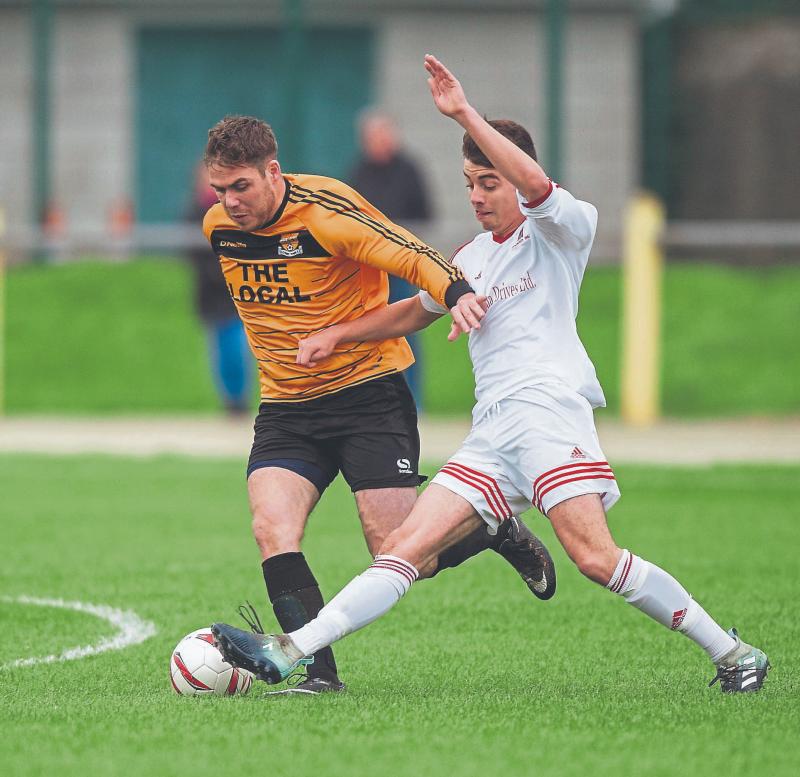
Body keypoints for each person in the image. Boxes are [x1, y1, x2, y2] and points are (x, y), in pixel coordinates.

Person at [211, 55, 770, 694]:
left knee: (594, 558)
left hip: (549, 412)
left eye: (488, 183)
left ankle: (732, 652)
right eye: (470, 183)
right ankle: (292, 652)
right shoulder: (471, 257)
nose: (477, 195)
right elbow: (411, 312)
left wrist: (462, 113)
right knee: (401, 553)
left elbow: (536, 185)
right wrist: (339, 333)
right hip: (494, 429)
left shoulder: (560, 231)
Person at [201, 114, 556, 695]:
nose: (229, 202)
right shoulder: (218, 227)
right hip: (288, 409)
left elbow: (411, 253)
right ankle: (317, 673)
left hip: (369, 396)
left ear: (273, 171)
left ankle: (496, 530)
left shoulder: (328, 212)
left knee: (398, 551)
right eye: (220, 190)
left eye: (241, 186)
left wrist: (457, 292)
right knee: (272, 527)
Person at [349, 110, 433, 407]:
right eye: (373, 137)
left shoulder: (409, 170)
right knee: (368, 330)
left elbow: (425, 213)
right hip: (370, 267)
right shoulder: (358, 172)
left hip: (401, 265)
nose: (379, 142)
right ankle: (375, 397)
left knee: (406, 327)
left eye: (383, 135)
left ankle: (413, 399)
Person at [185, 162, 253, 416]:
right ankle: (231, 400)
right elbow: (193, 254)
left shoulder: (237, 209)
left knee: (237, 346)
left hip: (237, 289)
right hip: (212, 291)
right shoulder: (195, 212)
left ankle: (240, 398)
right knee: (221, 349)